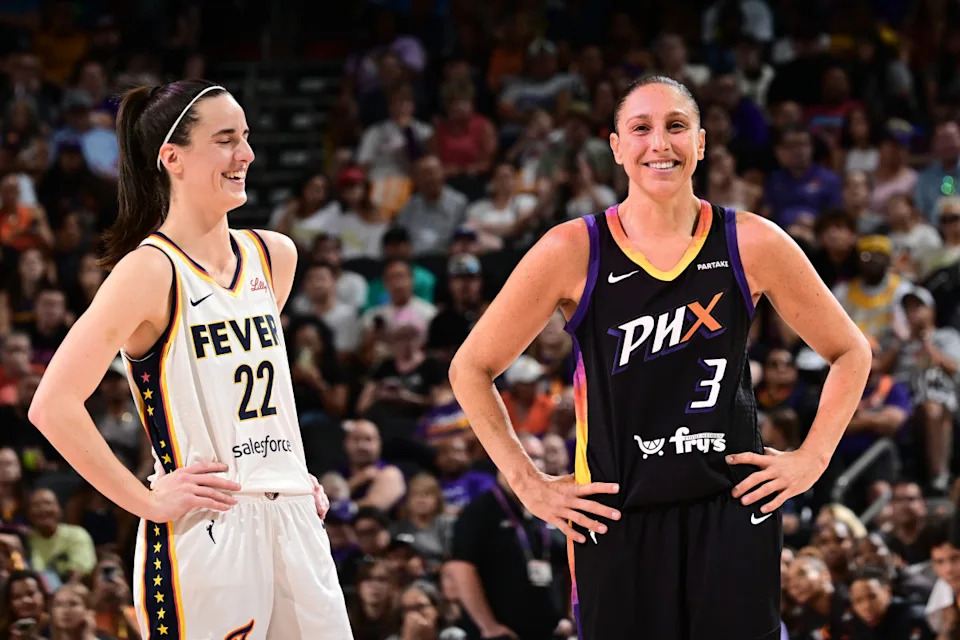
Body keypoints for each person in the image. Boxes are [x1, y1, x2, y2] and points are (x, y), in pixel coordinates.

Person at [448, 74, 872, 640]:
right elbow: (470, 369)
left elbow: (850, 351)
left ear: (700, 142)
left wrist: (812, 460)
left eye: (675, 126)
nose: (659, 143)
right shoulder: (573, 248)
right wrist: (529, 485)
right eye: (640, 128)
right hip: (616, 518)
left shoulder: (750, 241)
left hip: (731, 510)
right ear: (616, 146)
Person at [27, 79, 353, 639]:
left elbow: (245, 396)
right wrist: (146, 500)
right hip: (207, 528)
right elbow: (51, 406)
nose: (246, 154)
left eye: (245, 137)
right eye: (225, 140)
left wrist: (284, 477)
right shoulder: (147, 270)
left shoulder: (274, 254)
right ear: (172, 158)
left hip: (294, 517)